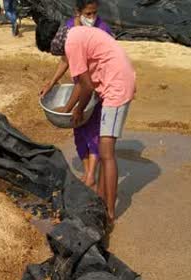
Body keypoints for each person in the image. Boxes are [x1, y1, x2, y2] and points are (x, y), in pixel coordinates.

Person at [36, 19, 136, 225]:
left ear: (53, 42)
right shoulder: (73, 35)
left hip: (117, 85)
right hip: (112, 80)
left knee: (107, 153)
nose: (55, 55)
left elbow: (87, 86)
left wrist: (78, 110)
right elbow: (81, 86)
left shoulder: (71, 43)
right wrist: (67, 109)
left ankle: (109, 212)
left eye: (51, 51)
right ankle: (100, 199)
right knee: (102, 148)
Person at [38, 0, 112, 192]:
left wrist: (69, 107)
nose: (92, 17)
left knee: (93, 128)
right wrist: (52, 82)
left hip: (96, 86)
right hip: (82, 84)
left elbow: (98, 70)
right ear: (77, 12)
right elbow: (65, 59)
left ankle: (90, 175)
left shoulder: (103, 29)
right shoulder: (69, 28)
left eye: (94, 13)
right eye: (87, 14)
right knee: (79, 129)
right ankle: (89, 173)